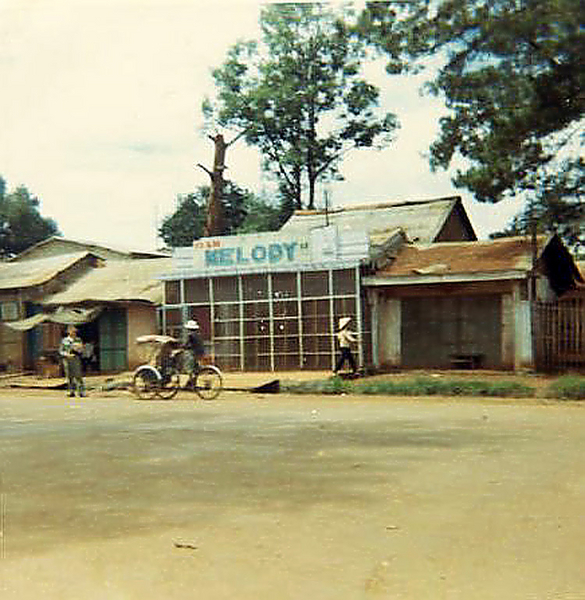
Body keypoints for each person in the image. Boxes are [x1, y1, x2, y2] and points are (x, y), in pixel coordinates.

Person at [59, 325, 86, 397]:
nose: (74, 333)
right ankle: (71, 391)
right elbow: (61, 351)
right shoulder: (64, 340)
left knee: (78, 375)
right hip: (67, 359)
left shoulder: (78, 340)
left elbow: (82, 350)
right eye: (72, 331)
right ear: (68, 332)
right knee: (69, 376)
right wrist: (67, 354)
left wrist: (79, 349)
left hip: (76, 358)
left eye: (75, 331)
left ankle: (81, 392)